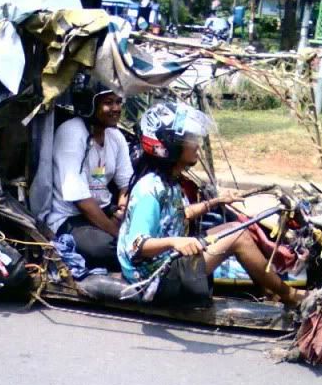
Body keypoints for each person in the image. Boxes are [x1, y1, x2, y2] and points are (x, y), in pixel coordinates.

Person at [117, 102, 307, 306]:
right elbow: (137, 246)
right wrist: (175, 242)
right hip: (154, 278)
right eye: (189, 138)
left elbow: (179, 214)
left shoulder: (169, 181)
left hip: (166, 261)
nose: (196, 144)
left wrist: (216, 202)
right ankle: (289, 295)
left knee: (236, 227)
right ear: (169, 146)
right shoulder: (149, 189)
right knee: (238, 236)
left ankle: (270, 289)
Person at [46, 79, 133, 271]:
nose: (116, 108)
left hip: (104, 212)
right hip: (70, 218)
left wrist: (122, 209)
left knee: (146, 237)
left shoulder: (115, 136)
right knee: (114, 250)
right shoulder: (72, 132)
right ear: (90, 105)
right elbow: (81, 201)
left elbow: (126, 183)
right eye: (108, 102)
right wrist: (115, 232)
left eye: (118, 102)